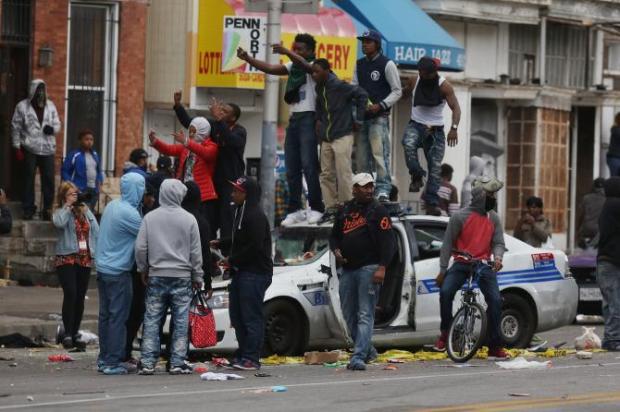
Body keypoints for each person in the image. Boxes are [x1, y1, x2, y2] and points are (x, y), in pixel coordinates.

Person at [238, 35, 325, 225]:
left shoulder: (316, 66)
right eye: (296, 48)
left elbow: (309, 68)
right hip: (294, 120)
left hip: (309, 118)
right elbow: (270, 69)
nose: (298, 52)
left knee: (309, 166)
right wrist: (248, 59)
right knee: (292, 168)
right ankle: (295, 210)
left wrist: (288, 52)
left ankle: (316, 207)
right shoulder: (293, 67)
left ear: (310, 50)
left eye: (301, 49)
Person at [135, 179, 203, 375]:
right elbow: (195, 252)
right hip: (182, 276)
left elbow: (140, 247)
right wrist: (197, 275)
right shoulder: (189, 219)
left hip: (157, 274)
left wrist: (143, 268)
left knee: (152, 319)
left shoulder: (150, 218)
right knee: (181, 320)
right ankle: (177, 362)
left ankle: (147, 362)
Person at [434, 177, 507, 358]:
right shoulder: (459, 216)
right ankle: (445, 332)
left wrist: (498, 257)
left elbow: (498, 242)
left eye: (494, 195)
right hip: (462, 262)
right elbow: (447, 244)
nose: (493, 198)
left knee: (496, 301)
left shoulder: (494, 218)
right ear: (479, 195)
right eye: (490, 194)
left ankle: (494, 344)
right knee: (445, 292)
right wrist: (443, 270)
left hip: (483, 265)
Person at [329, 173, 396, 371]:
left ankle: (358, 357)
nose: (368, 190)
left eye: (370, 186)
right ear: (354, 189)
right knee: (348, 313)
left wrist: (382, 266)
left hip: (370, 267)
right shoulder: (345, 209)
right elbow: (334, 237)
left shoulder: (379, 210)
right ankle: (368, 350)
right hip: (348, 269)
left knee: (365, 314)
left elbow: (389, 243)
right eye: (364, 187)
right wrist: (337, 250)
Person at [210, 177, 273, 371]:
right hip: (242, 272)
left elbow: (254, 246)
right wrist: (221, 243)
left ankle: (252, 358)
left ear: (247, 194)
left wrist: (232, 260)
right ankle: (243, 353)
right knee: (237, 316)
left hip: (255, 273)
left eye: (237, 191)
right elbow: (240, 239)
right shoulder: (240, 212)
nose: (232, 194)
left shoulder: (254, 215)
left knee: (251, 316)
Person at [174, 91, 247, 239]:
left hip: (229, 183)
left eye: (225, 111)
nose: (221, 112)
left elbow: (231, 140)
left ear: (233, 118)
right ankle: (211, 249)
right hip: (214, 182)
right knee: (210, 219)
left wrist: (219, 120)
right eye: (221, 110)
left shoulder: (240, 131)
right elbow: (191, 123)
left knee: (227, 220)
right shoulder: (215, 125)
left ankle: (226, 252)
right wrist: (178, 106)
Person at [95, 173, 144, 375]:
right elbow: (147, 237)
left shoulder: (113, 206)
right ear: (136, 190)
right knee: (118, 317)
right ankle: (113, 361)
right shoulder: (130, 214)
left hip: (103, 269)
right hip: (118, 271)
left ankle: (104, 358)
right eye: (141, 188)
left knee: (106, 316)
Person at [402, 57, 461, 216]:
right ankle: (417, 174)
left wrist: (454, 128)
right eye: (420, 73)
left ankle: (432, 203)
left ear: (433, 73)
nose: (422, 76)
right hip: (416, 124)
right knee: (408, 145)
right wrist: (403, 91)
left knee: (435, 167)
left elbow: (456, 108)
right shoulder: (415, 80)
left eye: (425, 74)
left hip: (435, 130)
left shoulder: (444, 86)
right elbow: (404, 95)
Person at [311, 58, 368, 222]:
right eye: (313, 72)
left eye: (317, 71)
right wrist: (318, 119)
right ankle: (331, 207)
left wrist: (359, 119)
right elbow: (320, 106)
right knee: (326, 174)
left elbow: (362, 95)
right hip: (326, 137)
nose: (314, 75)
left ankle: (348, 206)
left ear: (327, 71)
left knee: (343, 171)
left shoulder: (341, 86)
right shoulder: (319, 87)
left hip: (343, 134)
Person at [352, 30, 402, 201]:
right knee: (361, 157)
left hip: (379, 117)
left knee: (379, 154)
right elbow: (355, 87)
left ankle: (383, 189)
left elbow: (397, 91)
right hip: (362, 117)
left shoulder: (387, 64)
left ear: (377, 44)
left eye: (368, 41)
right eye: (363, 41)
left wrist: (380, 105)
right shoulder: (359, 64)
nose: (364, 44)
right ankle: (365, 189)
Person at [149, 119, 218, 234]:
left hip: (203, 195)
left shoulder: (211, 147)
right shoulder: (187, 146)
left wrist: (186, 141)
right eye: (189, 132)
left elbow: (204, 153)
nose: (190, 135)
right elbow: (169, 149)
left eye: (193, 132)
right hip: (185, 192)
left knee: (201, 227)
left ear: (202, 132)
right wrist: (155, 141)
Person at [52, 182, 99, 350]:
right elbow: (58, 223)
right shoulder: (61, 211)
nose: (75, 197)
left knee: (80, 296)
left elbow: (97, 230)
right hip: (66, 258)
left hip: (84, 258)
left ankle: (74, 331)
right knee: (70, 293)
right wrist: (67, 206)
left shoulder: (83, 212)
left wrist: (88, 212)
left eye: (76, 193)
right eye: (71, 194)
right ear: (64, 196)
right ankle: (67, 334)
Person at [11, 79, 61, 221]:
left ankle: (47, 209)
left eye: (42, 90)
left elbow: (57, 123)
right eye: (38, 90)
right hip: (29, 148)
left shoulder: (51, 106)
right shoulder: (22, 107)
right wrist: (17, 147)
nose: (40, 93)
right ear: (32, 91)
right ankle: (28, 209)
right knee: (28, 180)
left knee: (49, 181)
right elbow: (15, 127)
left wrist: (53, 129)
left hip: (47, 149)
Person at [597, 177, 620, 351]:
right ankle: (612, 339)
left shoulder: (607, 206)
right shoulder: (614, 205)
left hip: (605, 262)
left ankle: (611, 336)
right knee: (615, 303)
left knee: (610, 303)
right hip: (611, 263)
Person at [182, 181, 213, 296]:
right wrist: (207, 283)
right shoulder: (200, 221)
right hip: (189, 278)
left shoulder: (171, 217)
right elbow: (204, 253)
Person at [61, 130, 104, 211]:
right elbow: (65, 171)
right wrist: (71, 186)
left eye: (91, 139)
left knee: (90, 212)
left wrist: (100, 182)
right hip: (80, 189)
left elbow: (98, 170)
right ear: (80, 140)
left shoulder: (95, 154)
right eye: (86, 139)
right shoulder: (74, 154)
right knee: (81, 212)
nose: (89, 142)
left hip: (94, 190)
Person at [577, 178, 606, 249]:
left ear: (594, 186)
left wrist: (578, 229)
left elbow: (581, 215)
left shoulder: (586, 198)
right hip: (599, 232)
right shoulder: (607, 200)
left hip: (586, 229)